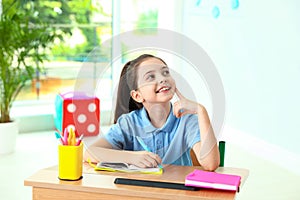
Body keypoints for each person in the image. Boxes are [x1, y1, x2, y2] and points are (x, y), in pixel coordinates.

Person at [84, 54, 220, 171]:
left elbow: (210, 164)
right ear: (137, 96)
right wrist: (133, 158)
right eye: (150, 77)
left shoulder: (186, 119)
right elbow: (89, 153)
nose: (162, 79)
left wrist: (201, 111)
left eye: (165, 72)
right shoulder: (129, 123)